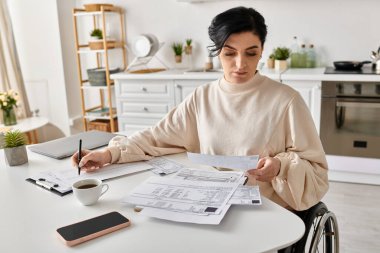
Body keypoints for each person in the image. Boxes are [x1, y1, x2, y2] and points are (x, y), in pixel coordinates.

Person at [72, 6, 328, 211]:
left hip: (263, 210)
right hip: (208, 203)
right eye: (230, 54)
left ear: (261, 52)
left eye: (251, 53)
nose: (240, 64)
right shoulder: (202, 98)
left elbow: (316, 172)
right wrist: (107, 154)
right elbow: (155, 137)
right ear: (217, 53)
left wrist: (280, 166)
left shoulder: (287, 100)